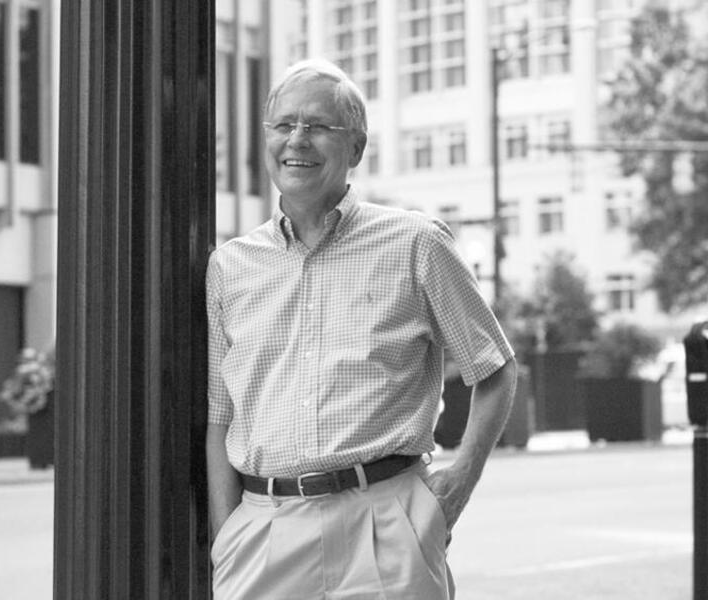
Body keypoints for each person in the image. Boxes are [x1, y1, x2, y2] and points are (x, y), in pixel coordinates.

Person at [206, 58, 517, 599]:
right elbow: (219, 415)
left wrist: (456, 488)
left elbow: (495, 368)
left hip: (388, 522)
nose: (297, 140)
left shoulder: (417, 244)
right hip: (264, 532)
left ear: (356, 148)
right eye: (284, 125)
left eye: (319, 126)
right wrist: (226, 535)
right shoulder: (229, 266)